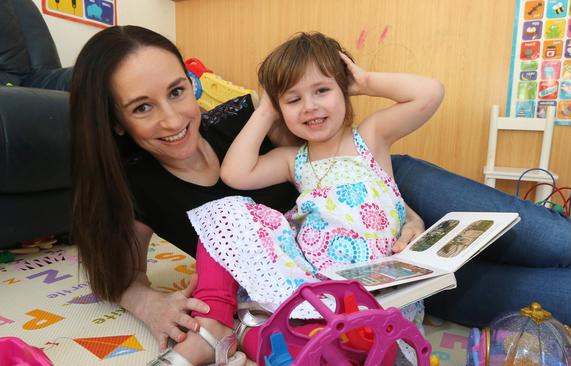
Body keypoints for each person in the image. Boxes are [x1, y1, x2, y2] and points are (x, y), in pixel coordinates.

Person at [69, 25, 571, 366]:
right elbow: (116, 268)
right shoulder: (136, 188)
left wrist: (410, 207)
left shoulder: (245, 111)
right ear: (115, 122)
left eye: (179, 91)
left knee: (556, 236)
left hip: (394, 190)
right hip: (368, 269)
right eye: (143, 107)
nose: (175, 119)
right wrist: (148, 303)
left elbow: (322, 105)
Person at [181, 31, 443, 362]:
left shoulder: (371, 135)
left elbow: (430, 93)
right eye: (293, 100)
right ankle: (249, 334)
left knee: (367, 344)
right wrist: (265, 111)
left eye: (322, 90)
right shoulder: (294, 159)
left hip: (373, 288)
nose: (310, 107)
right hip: (314, 284)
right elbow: (235, 174)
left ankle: (262, 337)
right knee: (226, 211)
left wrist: (365, 81)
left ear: (344, 88)